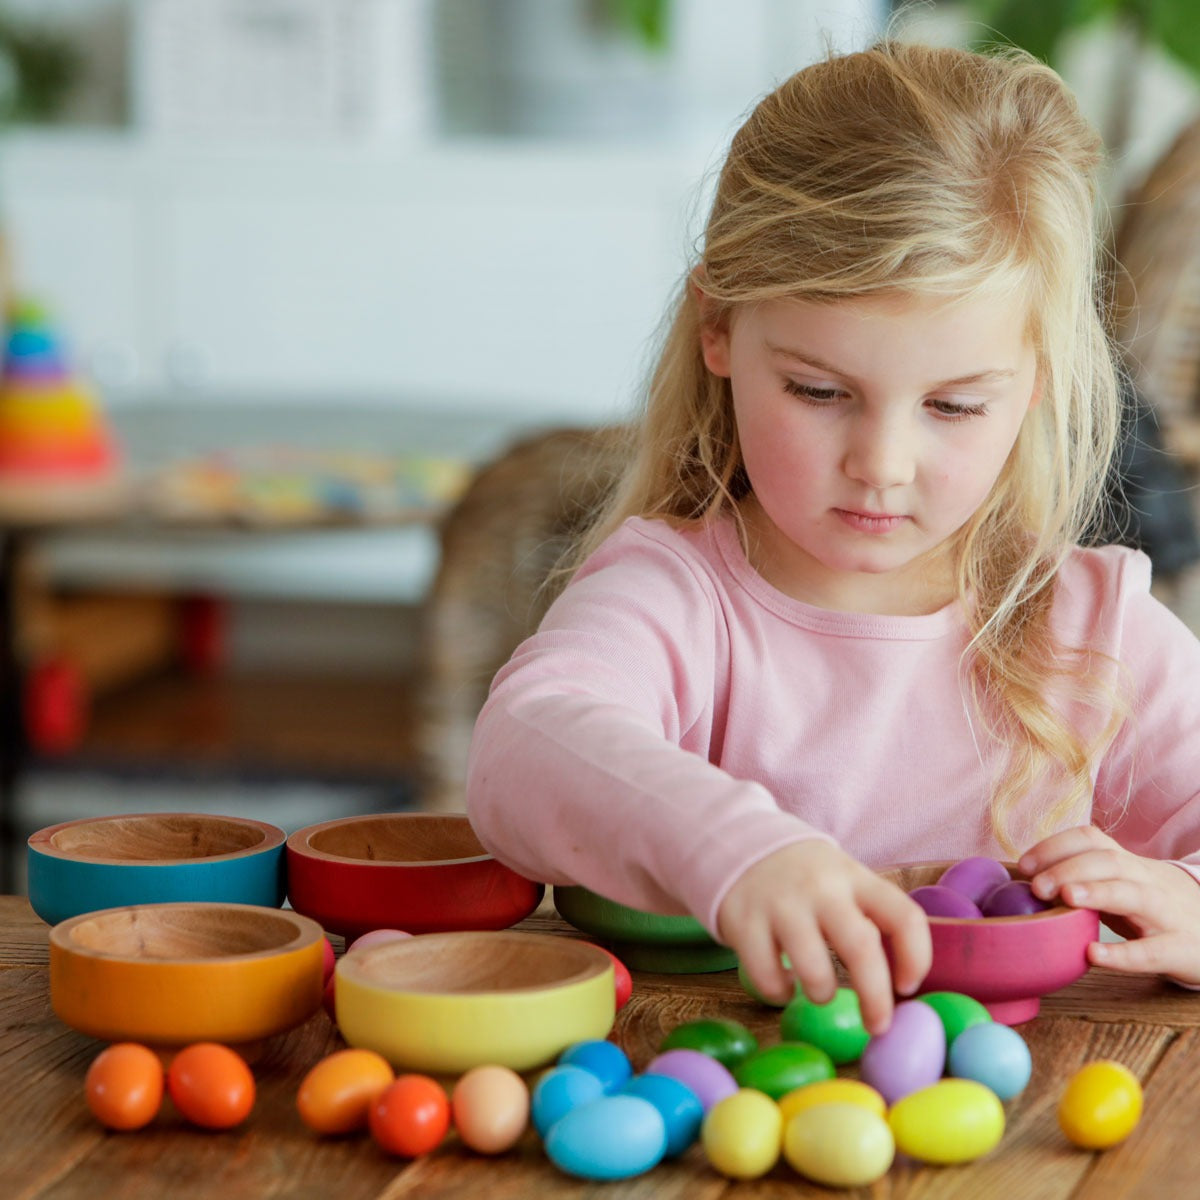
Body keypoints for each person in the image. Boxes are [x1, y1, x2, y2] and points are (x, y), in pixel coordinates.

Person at [465, 40, 1200, 1034]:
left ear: (1033, 382)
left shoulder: (1095, 632)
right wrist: (740, 851)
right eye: (819, 392)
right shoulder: (679, 597)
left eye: (953, 406)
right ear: (718, 329)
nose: (882, 463)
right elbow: (524, 744)